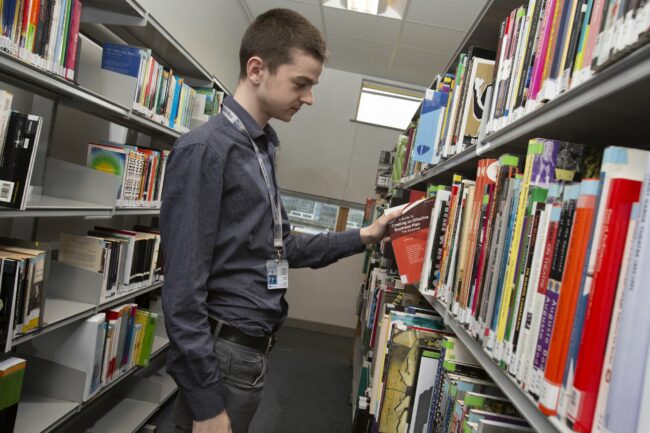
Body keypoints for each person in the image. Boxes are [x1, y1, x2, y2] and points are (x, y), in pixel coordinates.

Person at [160, 8, 398, 433]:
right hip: (224, 355)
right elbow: (181, 292)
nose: (309, 98)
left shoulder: (261, 148)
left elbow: (282, 248)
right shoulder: (208, 151)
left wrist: (366, 235)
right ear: (257, 69)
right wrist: (206, 402)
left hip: (248, 354)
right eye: (301, 84)